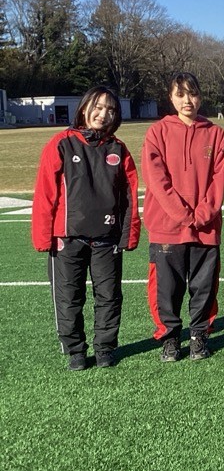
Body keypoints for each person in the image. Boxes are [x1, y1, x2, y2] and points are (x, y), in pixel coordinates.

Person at [32, 86, 141, 370]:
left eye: (111, 110)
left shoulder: (118, 149)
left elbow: (129, 195)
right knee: (69, 298)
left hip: (107, 239)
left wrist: (129, 234)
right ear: (84, 108)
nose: (103, 114)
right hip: (67, 239)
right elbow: (45, 192)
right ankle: (75, 350)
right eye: (98, 107)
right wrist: (44, 237)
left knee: (109, 296)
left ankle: (105, 348)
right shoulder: (62, 143)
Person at [143, 72, 224, 362]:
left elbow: (220, 177)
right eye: (180, 94)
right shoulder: (157, 132)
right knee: (166, 289)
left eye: (192, 93)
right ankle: (169, 337)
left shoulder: (215, 134)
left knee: (204, 287)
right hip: (167, 226)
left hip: (205, 227)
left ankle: (199, 335)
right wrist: (181, 214)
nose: (187, 100)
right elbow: (156, 178)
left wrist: (203, 213)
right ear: (171, 98)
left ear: (200, 96)